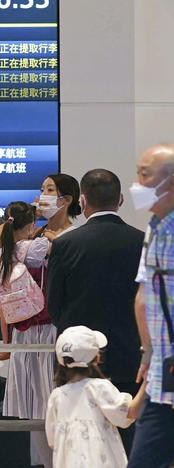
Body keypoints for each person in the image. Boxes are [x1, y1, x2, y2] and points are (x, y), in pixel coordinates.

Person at [0, 174, 81, 467]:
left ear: (66, 200)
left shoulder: (74, 237)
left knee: (58, 407)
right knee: (32, 409)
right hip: (25, 330)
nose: (43, 195)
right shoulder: (31, 237)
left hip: (56, 331)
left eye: (49, 190)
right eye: (41, 190)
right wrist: (22, 215)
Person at [46, 169, 144, 453]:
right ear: (121, 200)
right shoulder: (142, 242)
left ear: (84, 201)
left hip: (81, 367)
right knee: (131, 441)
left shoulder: (65, 244)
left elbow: (55, 305)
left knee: (80, 446)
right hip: (131, 360)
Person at [128, 144, 174, 468]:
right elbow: (147, 296)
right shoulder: (155, 229)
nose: (137, 183)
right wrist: (149, 353)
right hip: (162, 378)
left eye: (145, 175)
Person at [45, 326, 146, 468]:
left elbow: (52, 441)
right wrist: (148, 381)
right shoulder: (100, 388)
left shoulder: (56, 396)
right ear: (97, 357)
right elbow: (128, 413)